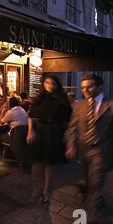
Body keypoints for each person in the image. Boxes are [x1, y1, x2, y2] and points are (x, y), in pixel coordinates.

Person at [65, 74, 113, 224]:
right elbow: (72, 128)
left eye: (89, 86)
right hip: (84, 152)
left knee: (94, 185)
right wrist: (70, 145)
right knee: (89, 182)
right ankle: (96, 199)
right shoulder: (79, 105)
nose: (85, 90)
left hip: (102, 151)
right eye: (82, 88)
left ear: (99, 87)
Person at [27, 75, 72, 204]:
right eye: (47, 83)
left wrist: (66, 136)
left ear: (57, 85)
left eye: (53, 83)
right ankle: (36, 190)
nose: (50, 86)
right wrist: (30, 131)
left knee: (50, 163)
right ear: (43, 84)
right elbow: (31, 115)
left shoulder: (62, 99)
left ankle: (47, 191)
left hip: (55, 131)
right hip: (39, 130)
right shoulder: (39, 98)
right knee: (36, 162)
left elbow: (68, 119)